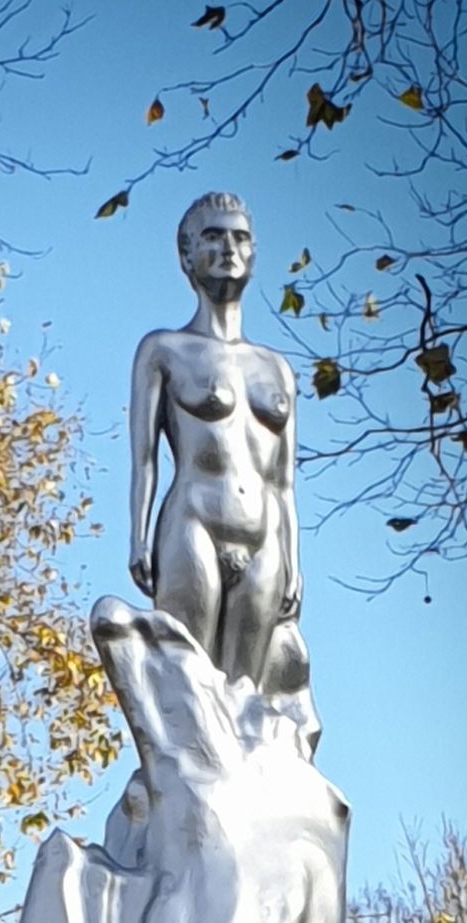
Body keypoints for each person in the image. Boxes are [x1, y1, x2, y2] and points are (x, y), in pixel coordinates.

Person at [129, 192, 304, 695]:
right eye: (213, 236)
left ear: (253, 254)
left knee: (247, 699)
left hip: (265, 534)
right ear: (187, 255)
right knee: (188, 690)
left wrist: (295, 561)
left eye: (240, 236)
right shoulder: (163, 350)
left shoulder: (278, 369)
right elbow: (144, 458)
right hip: (193, 523)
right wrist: (138, 539)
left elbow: (285, 481)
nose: (229, 246)